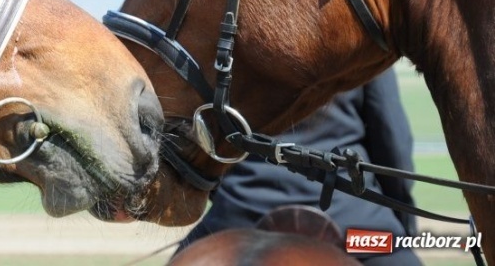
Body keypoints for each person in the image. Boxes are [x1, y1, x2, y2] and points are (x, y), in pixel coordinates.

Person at [177, 67, 420, 264]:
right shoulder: (363, 48)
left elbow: (202, 137)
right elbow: (392, 142)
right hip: (354, 221)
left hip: (241, 211)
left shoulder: (230, 43)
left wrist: (224, 196)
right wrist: (403, 219)